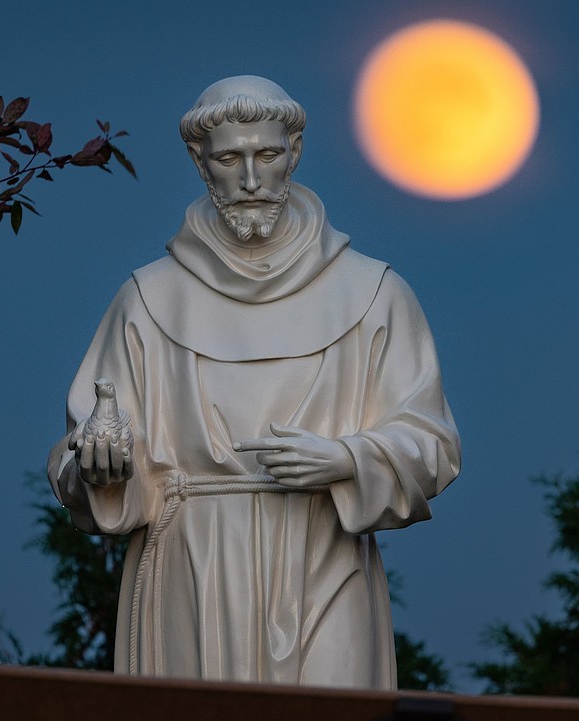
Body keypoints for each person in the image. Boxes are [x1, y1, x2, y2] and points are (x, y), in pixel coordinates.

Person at [47, 75, 460, 689]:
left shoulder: (373, 293)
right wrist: (102, 465)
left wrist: (348, 458)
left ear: (293, 153)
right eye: (227, 159)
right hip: (192, 561)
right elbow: (83, 457)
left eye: (266, 155)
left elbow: (435, 445)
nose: (249, 179)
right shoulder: (150, 299)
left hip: (324, 557)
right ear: (199, 163)